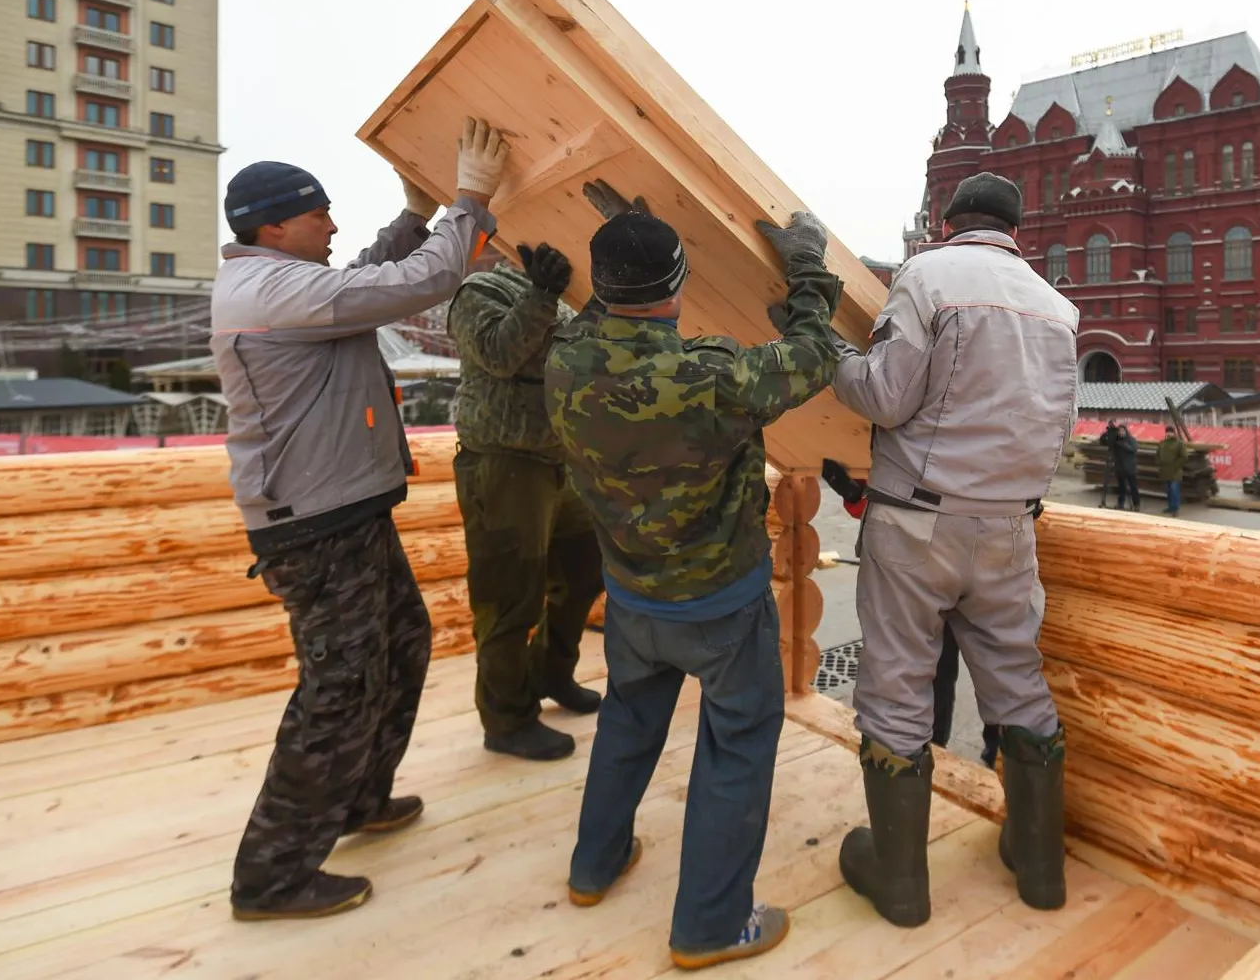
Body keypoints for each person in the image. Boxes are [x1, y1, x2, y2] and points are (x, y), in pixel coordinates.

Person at [214, 118, 510, 920]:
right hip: (315, 525)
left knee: (402, 645)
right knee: (339, 687)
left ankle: (356, 799)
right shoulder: (267, 290)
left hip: (344, 510)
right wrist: (467, 199)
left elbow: (361, 277)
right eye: (320, 215)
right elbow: (409, 285)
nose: (334, 225)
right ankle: (270, 877)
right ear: (273, 228)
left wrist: (414, 217)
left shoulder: (284, 283)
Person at [546, 205, 842, 969]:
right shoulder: (712, 375)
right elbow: (816, 351)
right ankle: (711, 926)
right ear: (677, 286)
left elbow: (596, 312)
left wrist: (624, 236)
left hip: (632, 599)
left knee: (626, 724)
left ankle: (594, 866)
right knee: (737, 747)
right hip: (719, 606)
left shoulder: (564, 358)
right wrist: (807, 263)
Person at [830, 171, 1078, 927]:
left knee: (899, 684)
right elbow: (1059, 426)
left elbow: (885, 396)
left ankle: (900, 884)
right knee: (1015, 678)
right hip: (1010, 526)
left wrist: (827, 355)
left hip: (917, 525)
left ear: (948, 221)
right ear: (1015, 231)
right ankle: (1039, 869)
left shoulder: (927, 276)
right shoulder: (1058, 308)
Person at [448, 238, 606, 761]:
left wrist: (600, 306)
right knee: (509, 597)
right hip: (503, 464)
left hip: (562, 462)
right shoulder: (479, 290)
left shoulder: (567, 295)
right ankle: (507, 719)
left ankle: (550, 674)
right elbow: (500, 353)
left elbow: (575, 355)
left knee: (584, 576)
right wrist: (540, 294)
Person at [820, 458, 1002, 768]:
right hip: (925, 560)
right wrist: (854, 492)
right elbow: (885, 497)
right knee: (933, 669)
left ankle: (997, 764)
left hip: (985, 551)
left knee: (995, 669)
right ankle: (931, 757)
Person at [1103, 423, 1142, 512]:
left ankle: (1136, 504)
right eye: (1119, 431)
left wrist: (1123, 444)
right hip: (1120, 468)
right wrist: (1107, 432)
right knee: (1121, 487)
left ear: (1125, 431)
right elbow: (1103, 441)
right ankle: (1120, 503)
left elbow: (1134, 449)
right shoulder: (1115, 441)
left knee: (1133, 487)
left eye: (1122, 431)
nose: (1120, 432)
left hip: (1130, 468)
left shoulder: (1130, 439)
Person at [1157, 427, 1188, 517]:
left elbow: (1184, 457)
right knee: (1169, 491)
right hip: (1165, 471)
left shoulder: (1179, 443)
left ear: (1174, 433)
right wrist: (1159, 462)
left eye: (1171, 432)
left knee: (1174, 490)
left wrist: (1175, 465)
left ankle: (1175, 509)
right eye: (1167, 432)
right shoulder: (1162, 443)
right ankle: (1170, 507)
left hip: (1175, 472)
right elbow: (1158, 454)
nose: (1169, 434)